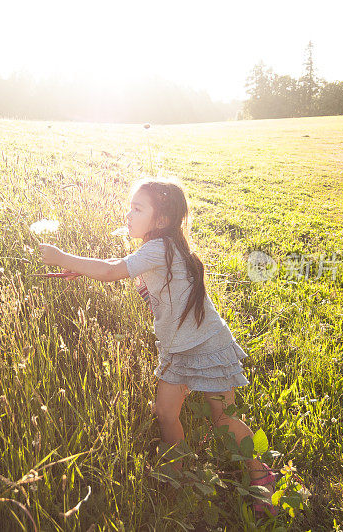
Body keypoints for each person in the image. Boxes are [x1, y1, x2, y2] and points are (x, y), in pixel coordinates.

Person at [38, 176, 278, 516]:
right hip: (181, 348)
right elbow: (115, 268)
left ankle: (259, 474)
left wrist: (63, 257)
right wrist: (84, 271)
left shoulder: (161, 247)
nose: (128, 214)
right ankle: (177, 473)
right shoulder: (161, 246)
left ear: (162, 220)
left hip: (207, 345)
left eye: (138, 209)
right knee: (166, 413)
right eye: (129, 207)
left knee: (222, 417)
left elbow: (110, 271)